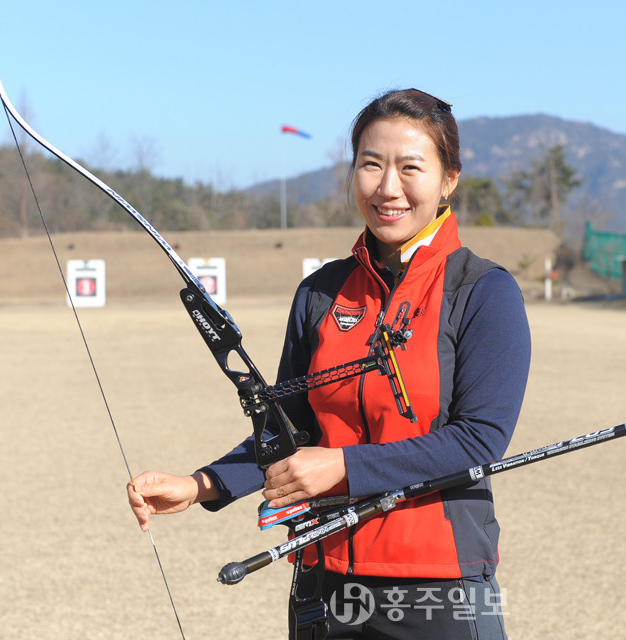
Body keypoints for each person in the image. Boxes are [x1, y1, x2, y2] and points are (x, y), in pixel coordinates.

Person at [127, 88, 531, 640]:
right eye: (371, 164)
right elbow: (288, 429)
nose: (388, 187)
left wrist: (343, 466)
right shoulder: (320, 292)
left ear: (449, 180)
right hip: (326, 581)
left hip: (442, 585)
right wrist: (201, 485)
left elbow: (479, 440)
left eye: (411, 167)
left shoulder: (483, 291)